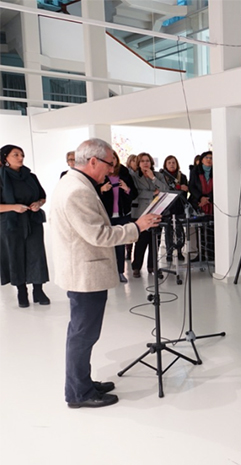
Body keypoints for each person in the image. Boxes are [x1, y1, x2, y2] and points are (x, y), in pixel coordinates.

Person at [51, 138, 161, 409]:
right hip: (84, 273)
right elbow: (98, 234)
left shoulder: (75, 183)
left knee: (82, 332)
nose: (112, 170)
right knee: (83, 334)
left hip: (83, 269)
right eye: (109, 164)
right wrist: (137, 227)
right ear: (92, 161)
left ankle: (83, 383)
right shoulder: (77, 190)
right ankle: (79, 393)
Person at [0, 144, 50, 307]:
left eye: (22, 155)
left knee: (37, 254)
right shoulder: (1, 177)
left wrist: (38, 203)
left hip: (32, 220)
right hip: (10, 223)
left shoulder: (31, 176)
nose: (20, 158)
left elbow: (42, 196)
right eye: (16, 155)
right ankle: (22, 291)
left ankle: (38, 289)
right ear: (5, 157)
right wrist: (14, 207)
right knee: (15, 255)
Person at [99, 152, 138, 283]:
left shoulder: (125, 174)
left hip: (122, 215)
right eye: (109, 159)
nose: (112, 161)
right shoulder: (100, 175)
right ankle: (107, 272)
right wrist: (102, 190)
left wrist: (127, 189)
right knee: (106, 245)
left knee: (120, 244)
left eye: (114, 158)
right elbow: (92, 194)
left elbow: (134, 194)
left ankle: (120, 272)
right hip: (107, 215)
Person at [131, 152, 169, 277]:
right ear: (138, 163)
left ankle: (152, 266)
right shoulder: (134, 176)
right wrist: (152, 194)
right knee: (141, 241)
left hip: (157, 211)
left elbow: (165, 189)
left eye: (147, 160)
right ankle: (136, 266)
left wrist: (153, 178)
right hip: (141, 212)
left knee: (155, 241)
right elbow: (136, 193)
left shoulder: (158, 175)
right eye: (142, 161)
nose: (145, 163)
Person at [160, 155, 188, 262]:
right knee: (168, 231)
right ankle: (169, 252)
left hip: (179, 207)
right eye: (169, 163)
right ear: (165, 165)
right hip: (167, 208)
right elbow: (164, 190)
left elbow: (185, 190)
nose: (172, 165)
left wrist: (181, 189)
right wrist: (178, 188)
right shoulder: (162, 177)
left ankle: (180, 251)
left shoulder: (182, 177)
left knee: (179, 230)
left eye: (173, 162)